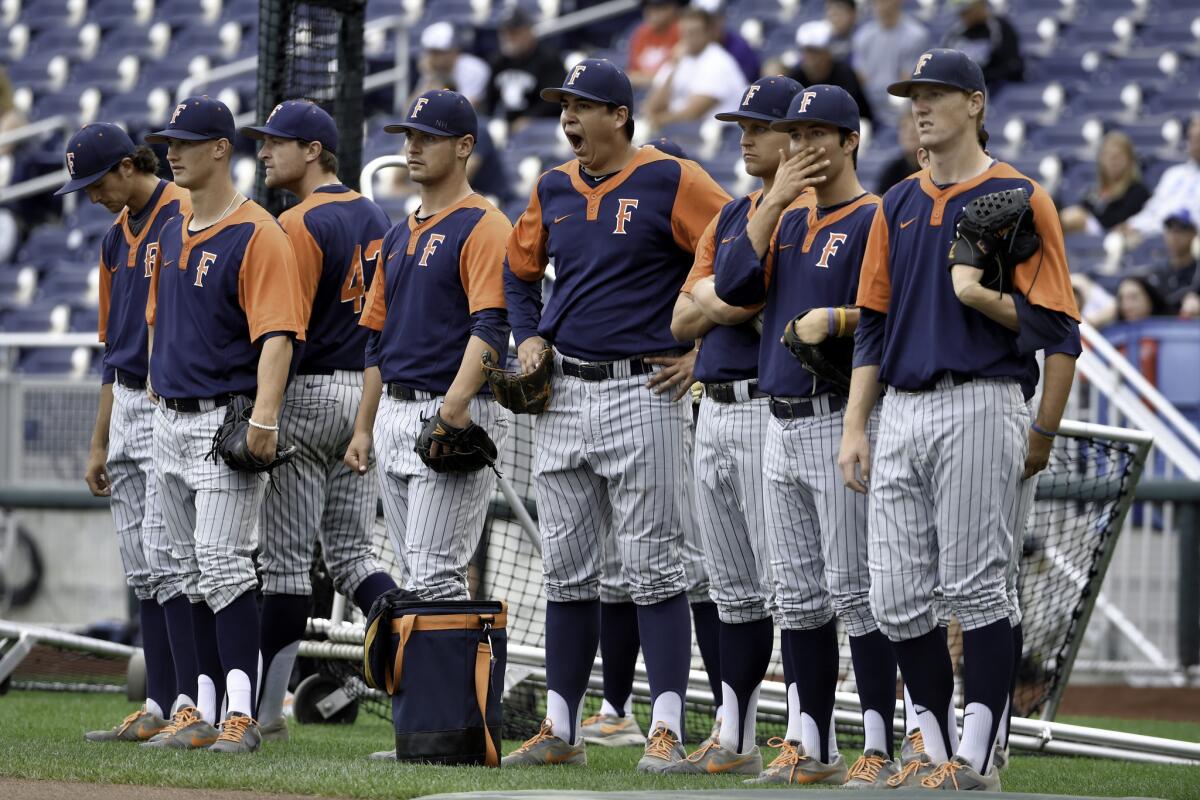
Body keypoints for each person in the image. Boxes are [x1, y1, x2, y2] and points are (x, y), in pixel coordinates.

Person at [840, 50, 1079, 791]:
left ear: (976, 103)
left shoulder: (1018, 194)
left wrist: (1041, 427)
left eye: (937, 93)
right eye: (914, 95)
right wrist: (855, 425)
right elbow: (874, 324)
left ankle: (977, 757)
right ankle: (935, 743)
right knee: (896, 595)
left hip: (982, 397)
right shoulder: (898, 204)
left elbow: (1059, 328)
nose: (920, 105)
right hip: (901, 407)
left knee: (978, 586)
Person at [500, 58, 729, 772]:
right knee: (567, 572)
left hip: (645, 387)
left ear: (620, 115)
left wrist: (706, 352)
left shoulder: (672, 178)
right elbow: (517, 269)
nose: (568, 117)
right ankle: (561, 727)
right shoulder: (553, 186)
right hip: (564, 388)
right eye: (563, 105)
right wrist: (528, 331)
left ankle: (663, 726)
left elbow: (743, 255)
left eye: (582, 105)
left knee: (656, 569)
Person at [709, 85, 900, 788]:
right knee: (798, 598)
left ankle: (877, 744)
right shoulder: (785, 220)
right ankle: (811, 745)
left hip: (838, 418)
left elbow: (889, 313)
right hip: (776, 420)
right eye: (797, 133)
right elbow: (731, 287)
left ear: (851, 141)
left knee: (857, 593)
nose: (804, 146)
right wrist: (768, 205)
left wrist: (840, 319)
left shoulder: (875, 216)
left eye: (820, 132)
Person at [143, 95, 308, 753]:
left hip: (224, 422)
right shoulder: (169, 226)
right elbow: (158, 320)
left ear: (221, 148)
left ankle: (241, 712)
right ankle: (196, 708)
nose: (171, 153)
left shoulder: (258, 231)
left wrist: (265, 420)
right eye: (167, 142)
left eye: (184, 142)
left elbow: (278, 336)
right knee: (177, 568)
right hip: (169, 418)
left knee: (223, 565)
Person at [658, 75, 808, 777]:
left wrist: (720, 299)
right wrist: (723, 299)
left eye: (759, 125)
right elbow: (682, 317)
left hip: (766, 407)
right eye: (741, 124)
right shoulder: (732, 214)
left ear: (796, 137)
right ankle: (736, 735)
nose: (744, 136)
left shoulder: (807, 212)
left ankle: (808, 737)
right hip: (711, 408)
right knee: (730, 589)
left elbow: (749, 300)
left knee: (792, 588)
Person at [239, 100, 399, 743]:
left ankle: (266, 717)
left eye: (279, 142)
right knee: (355, 557)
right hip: (364, 395)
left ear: (314, 150)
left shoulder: (298, 224)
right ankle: (406, 628)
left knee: (283, 569)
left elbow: (285, 329)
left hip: (305, 397)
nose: (265, 152)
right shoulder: (374, 213)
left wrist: (261, 411)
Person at [345, 89, 511, 613]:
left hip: (448, 407)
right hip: (394, 409)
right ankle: (427, 696)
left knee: (436, 579)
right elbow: (376, 337)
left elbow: (492, 325)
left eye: (428, 137)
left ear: (464, 147)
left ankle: (452, 697)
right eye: (409, 136)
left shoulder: (484, 224)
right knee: (415, 575)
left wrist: (454, 408)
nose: (413, 147)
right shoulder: (397, 234)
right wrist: (365, 426)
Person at [57, 124, 195, 744]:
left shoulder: (184, 211)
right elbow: (113, 348)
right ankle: (158, 707)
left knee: (182, 566)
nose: (92, 198)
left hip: (178, 400)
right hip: (130, 402)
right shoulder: (116, 239)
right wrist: (98, 441)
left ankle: (195, 702)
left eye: (96, 183)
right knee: (143, 570)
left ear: (125, 165)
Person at [645, 6, 745, 130]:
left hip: (719, 135)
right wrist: (674, 67)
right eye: (684, 33)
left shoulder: (718, 61)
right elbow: (652, 106)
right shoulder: (679, 58)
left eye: (693, 32)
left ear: (708, 33)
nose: (688, 38)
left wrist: (654, 121)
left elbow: (692, 114)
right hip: (684, 131)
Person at [1122, 114, 1200, 242]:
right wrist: (1132, 224)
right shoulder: (1173, 174)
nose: (1196, 145)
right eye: (1193, 139)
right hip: (1157, 237)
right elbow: (1152, 210)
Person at [853, 0, 930, 128]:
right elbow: (861, 78)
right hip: (870, 108)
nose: (880, 4)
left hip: (900, 106)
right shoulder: (863, 35)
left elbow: (908, 80)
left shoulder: (915, 35)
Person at [485, 7, 564, 129]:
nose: (508, 38)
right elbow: (489, 100)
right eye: (504, 33)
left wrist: (531, 118)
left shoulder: (548, 59)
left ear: (528, 31)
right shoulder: (499, 61)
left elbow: (555, 98)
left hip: (541, 126)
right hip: (507, 124)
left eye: (514, 33)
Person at [1059, 131, 1151, 235]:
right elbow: (1082, 206)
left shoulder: (1138, 191)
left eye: (1118, 156)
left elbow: (1117, 220)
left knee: (1075, 217)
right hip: (1088, 234)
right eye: (1108, 156)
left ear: (1129, 159)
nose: (1113, 161)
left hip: (1113, 236)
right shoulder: (1095, 190)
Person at [788, 22, 874, 128]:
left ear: (827, 53)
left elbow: (850, 111)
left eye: (815, 52)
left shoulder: (844, 73)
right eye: (806, 52)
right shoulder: (796, 77)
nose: (809, 58)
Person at [941, 0, 1023, 91]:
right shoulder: (954, 32)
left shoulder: (1001, 28)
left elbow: (1012, 67)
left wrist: (978, 77)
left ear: (981, 4)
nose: (962, 16)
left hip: (994, 90)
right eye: (960, 12)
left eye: (966, 11)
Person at [412, 21, 490, 107]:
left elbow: (464, 110)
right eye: (430, 53)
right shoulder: (432, 71)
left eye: (437, 53)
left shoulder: (474, 68)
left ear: (453, 51)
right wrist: (431, 78)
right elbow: (411, 110)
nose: (432, 58)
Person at [1145, 210, 1200, 316]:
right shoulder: (1157, 270)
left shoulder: (1197, 271)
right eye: (1170, 230)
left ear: (1193, 234)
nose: (1174, 236)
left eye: (1180, 230)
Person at [692, 0, 761, 82]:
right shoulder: (691, 50)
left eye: (713, 21)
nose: (711, 27)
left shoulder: (739, 47)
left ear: (721, 19)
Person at [628, 0, 681, 89]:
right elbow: (632, 75)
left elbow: (675, 76)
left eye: (658, 8)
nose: (652, 12)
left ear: (672, 8)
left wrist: (647, 78)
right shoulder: (641, 32)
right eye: (648, 7)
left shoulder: (681, 31)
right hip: (641, 90)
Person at [876, 110, 921, 194]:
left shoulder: (937, 169)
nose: (910, 132)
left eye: (916, 126)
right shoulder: (892, 171)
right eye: (904, 127)